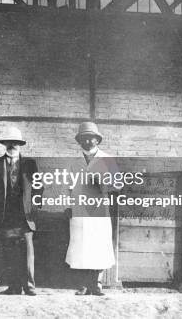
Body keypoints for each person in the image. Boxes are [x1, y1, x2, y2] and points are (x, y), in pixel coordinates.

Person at [0, 127, 42, 296]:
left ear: (20, 144)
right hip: (5, 215)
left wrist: (35, 205)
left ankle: (29, 286)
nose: (12, 145)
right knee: (9, 251)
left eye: (15, 142)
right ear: (5, 144)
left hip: (25, 215)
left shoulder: (30, 164)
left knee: (28, 251)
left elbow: (39, 186)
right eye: (9, 142)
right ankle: (14, 286)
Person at [65, 121, 120, 296]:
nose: (88, 142)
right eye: (84, 139)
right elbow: (67, 186)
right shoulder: (74, 163)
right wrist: (68, 206)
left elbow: (118, 185)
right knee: (80, 246)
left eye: (91, 139)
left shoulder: (107, 159)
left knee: (98, 246)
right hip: (79, 210)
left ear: (97, 140)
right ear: (79, 141)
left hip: (98, 211)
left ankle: (96, 285)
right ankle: (82, 285)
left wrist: (103, 184)